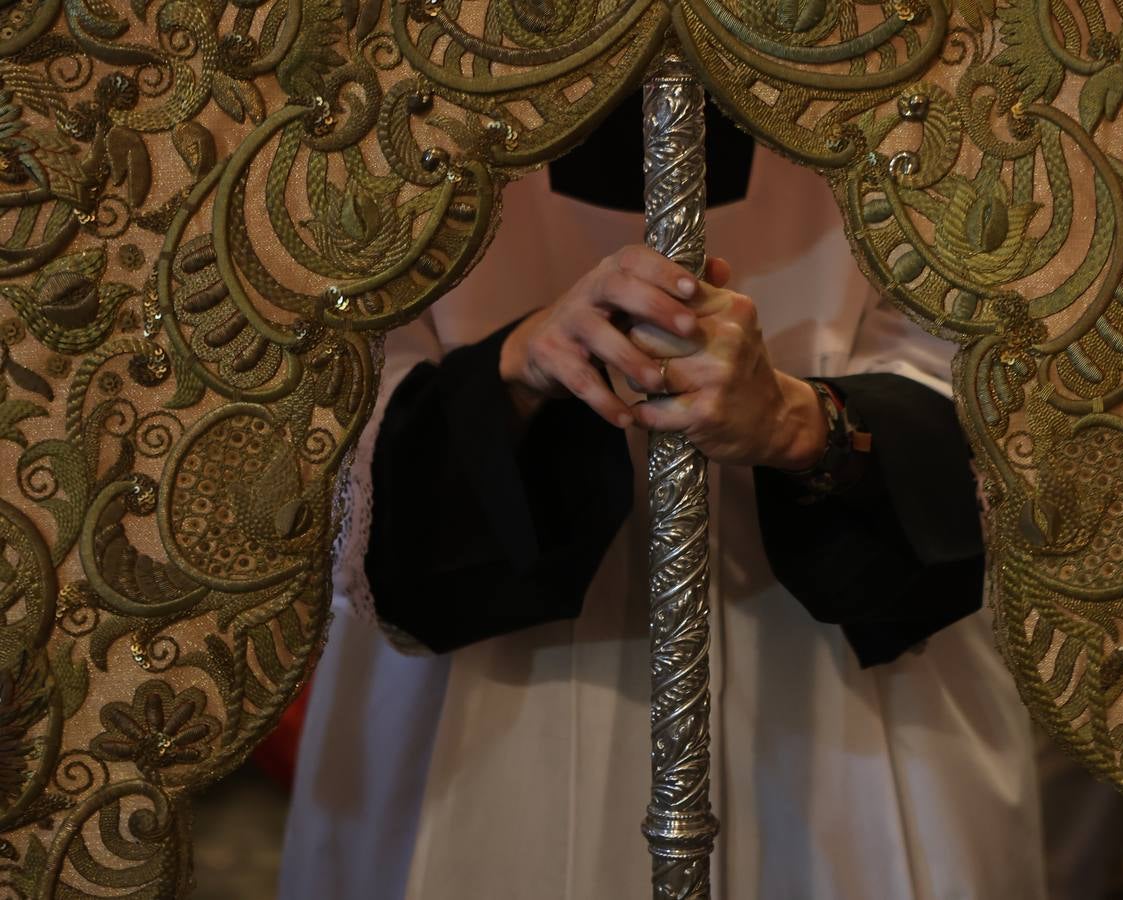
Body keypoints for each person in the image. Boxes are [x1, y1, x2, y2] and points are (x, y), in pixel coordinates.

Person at [279, 93, 1047, 900]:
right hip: (478, 714)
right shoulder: (390, 98)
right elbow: (324, 418)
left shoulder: (918, 95)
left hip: (848, 713)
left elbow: (992, 384)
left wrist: (800, 422)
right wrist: (513, 373)